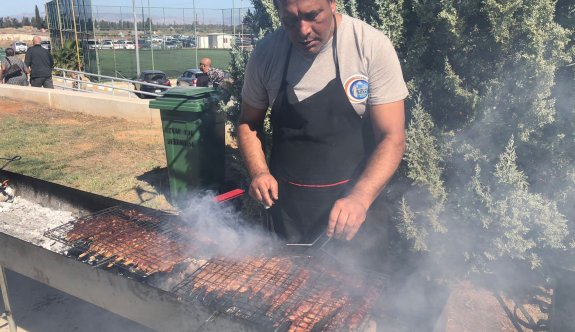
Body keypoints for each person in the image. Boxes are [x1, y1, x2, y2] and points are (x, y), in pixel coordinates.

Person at [238, 0, 408, 248]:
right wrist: (259, 172)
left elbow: (392, 137)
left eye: (312, 15)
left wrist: (360, 198)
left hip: (354, 213)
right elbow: (248, 123)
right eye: (291, 20)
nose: (303, 30)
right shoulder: (266, 54)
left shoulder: (369, 46)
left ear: (332, 3)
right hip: (287, 211)